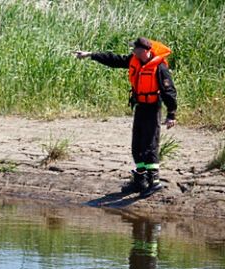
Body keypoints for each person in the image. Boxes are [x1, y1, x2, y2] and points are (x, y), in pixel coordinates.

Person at [75, 37, 178, 197]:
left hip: (152, 108)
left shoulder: (159, 68)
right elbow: (114, 60)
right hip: (140, 107)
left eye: (135, 49)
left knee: (150, 144)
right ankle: (140, 181)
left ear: (144, 51)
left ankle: (154, 182)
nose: (132, 51)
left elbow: (169, 91)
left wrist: (171, 114)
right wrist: (90, 54)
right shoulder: (134, 60)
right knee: (137, 144)